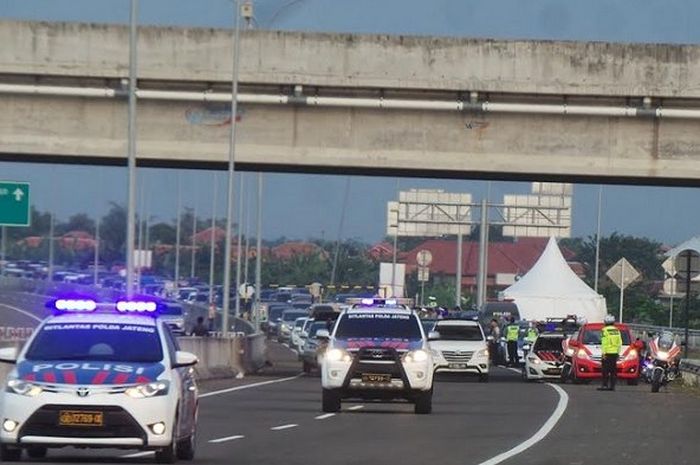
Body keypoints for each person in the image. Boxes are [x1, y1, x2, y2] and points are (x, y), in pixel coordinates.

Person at [599, 314, 622, 391]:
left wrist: (603, 353)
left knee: (605, 370)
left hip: (607, 353)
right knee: (613, 370)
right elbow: (619, 342)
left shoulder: (604, 330)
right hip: (615, 353)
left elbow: (604, 342)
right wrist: (618, 352)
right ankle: (612, 386)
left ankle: (605, 385)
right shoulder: (616, 330)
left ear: (605, 322)